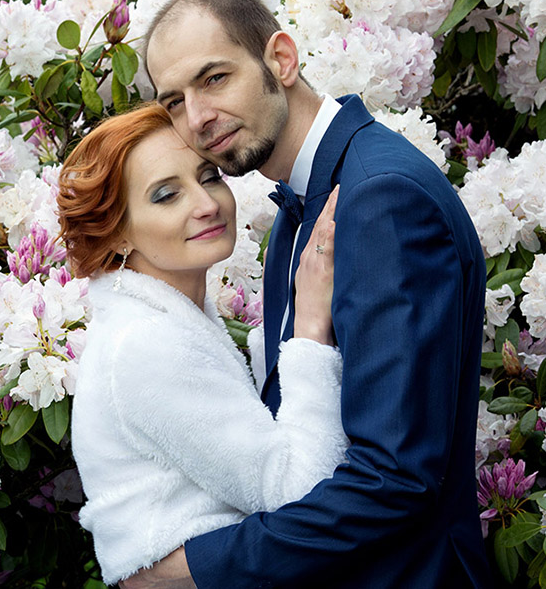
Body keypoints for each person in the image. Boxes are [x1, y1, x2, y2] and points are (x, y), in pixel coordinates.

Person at [133, 0, 492, 588]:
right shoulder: (302, 210)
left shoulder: (379, 197)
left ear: (280, 59)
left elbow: (392, 477)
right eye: (174, 101)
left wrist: (197, 570)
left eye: (214, 79)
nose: (196, 118)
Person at [59, 104, 348, 587]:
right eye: (167, 195)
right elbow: (299, 492)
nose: (207, 203)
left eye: (209, 176)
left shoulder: (169, 320)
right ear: (118, 231)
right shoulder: (146, 343)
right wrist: (311, 329)